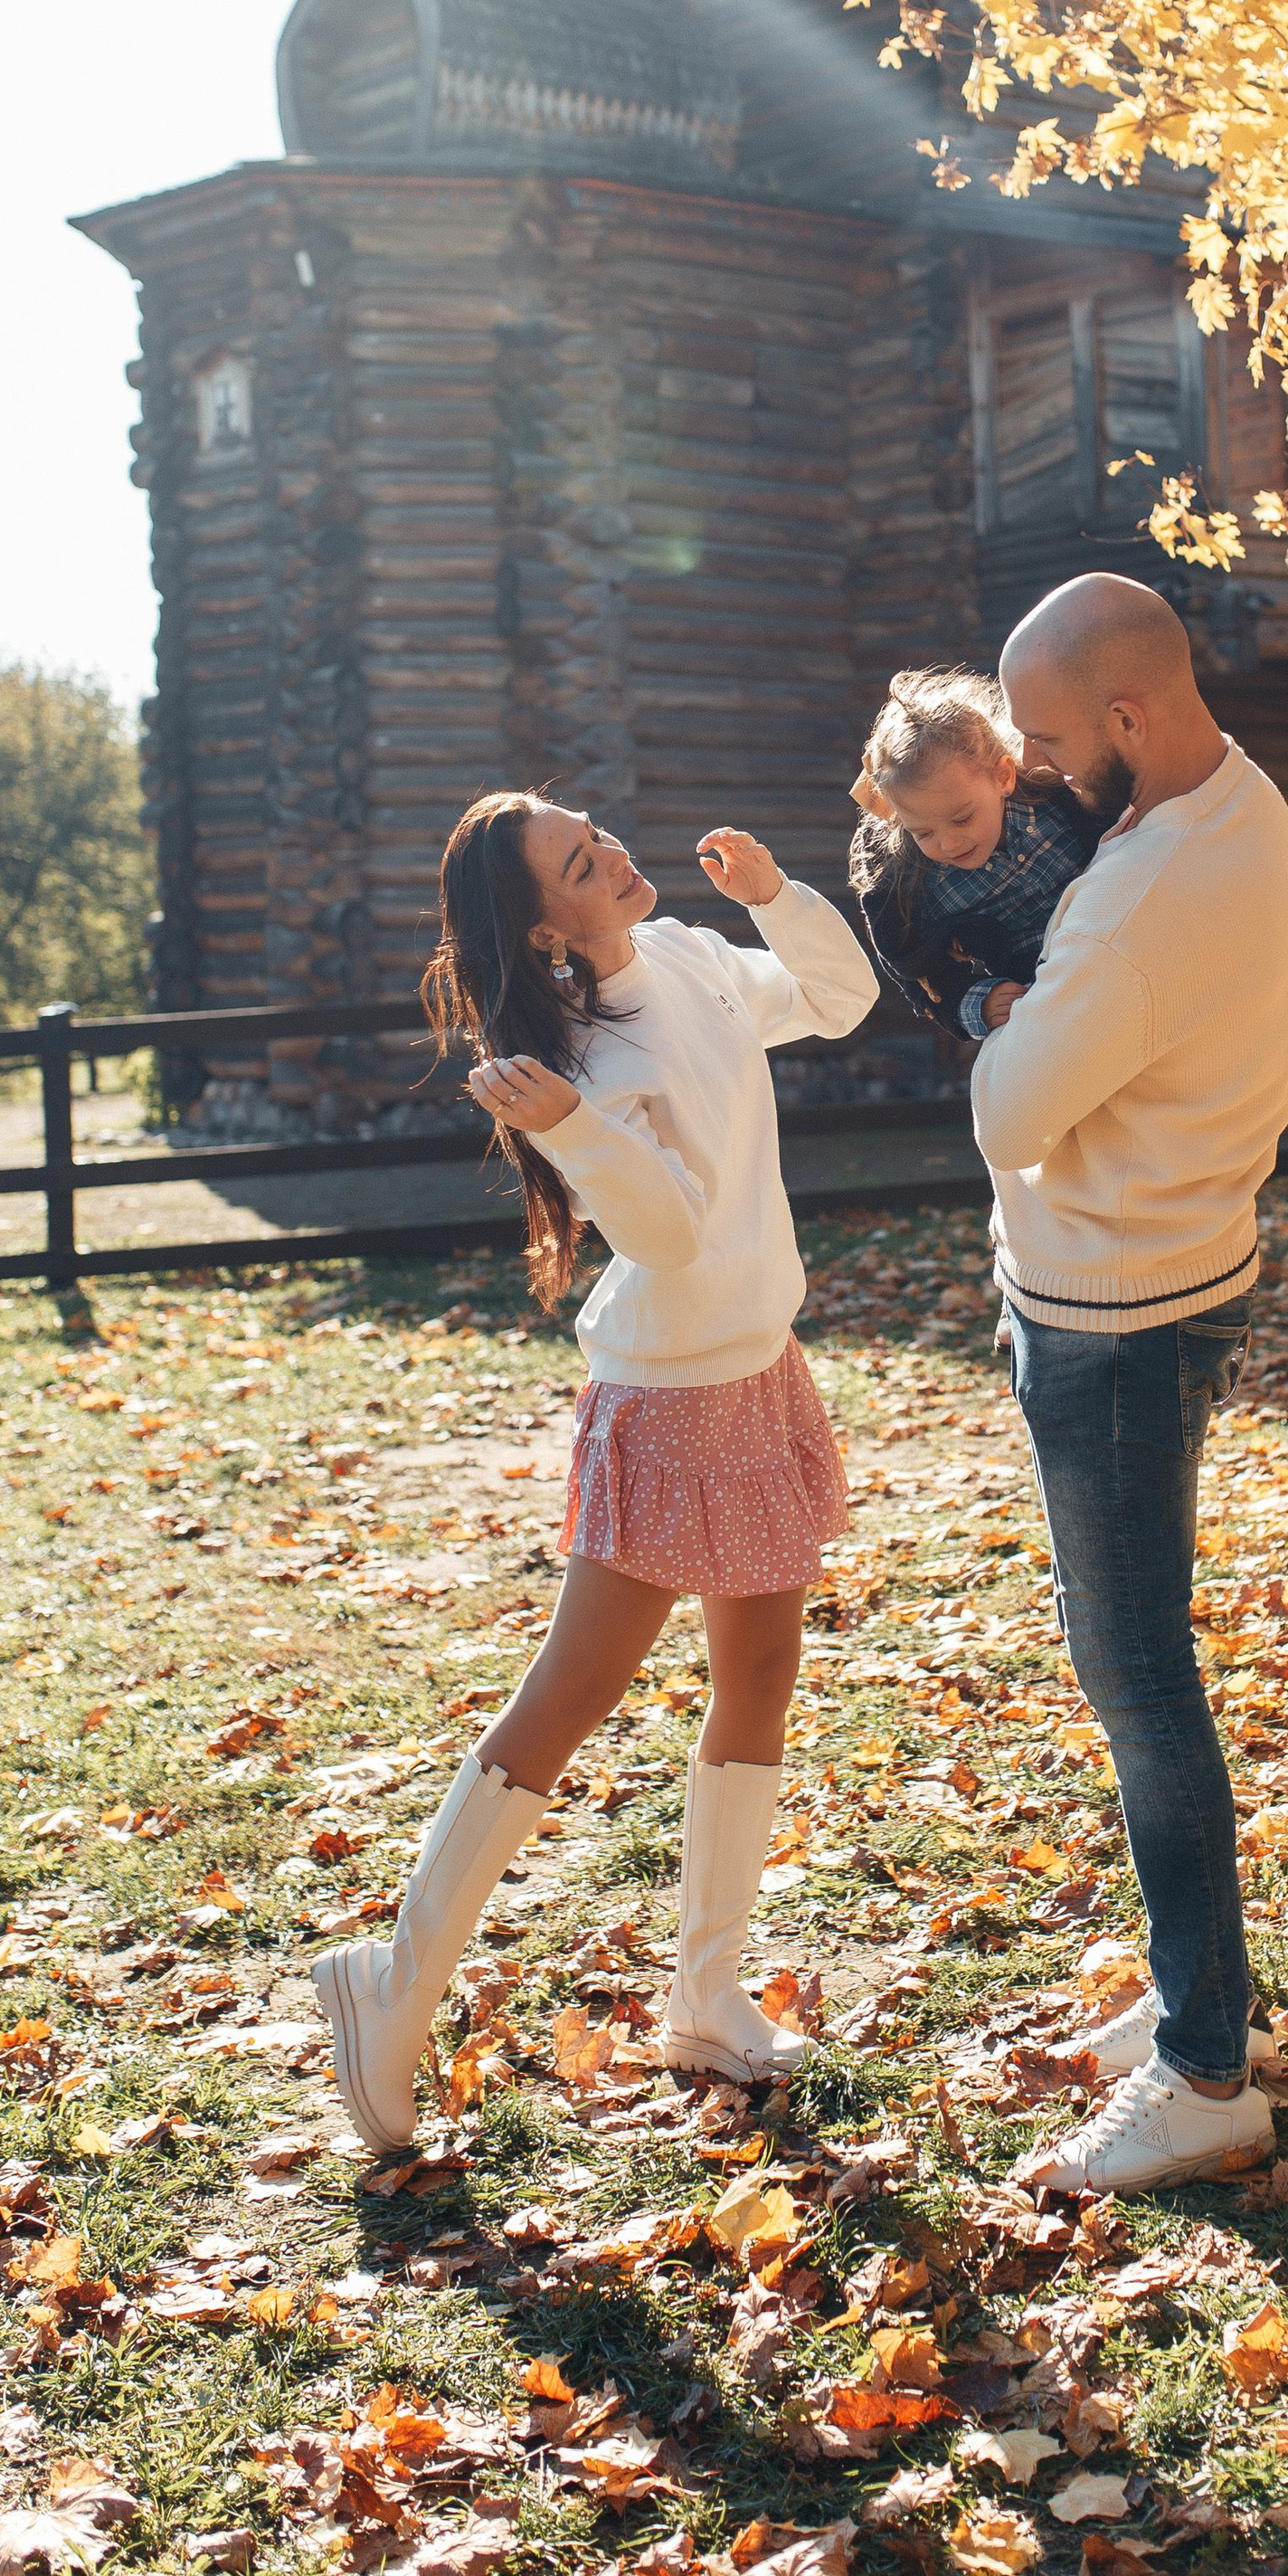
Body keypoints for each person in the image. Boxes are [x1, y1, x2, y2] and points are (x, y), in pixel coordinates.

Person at [312, 790, 878, 2152]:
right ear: (545, 926)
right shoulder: (581, 1058)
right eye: (581, 864)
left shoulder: (687, 953)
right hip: (671, 1392)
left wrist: (776, 896)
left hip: (758, 1365)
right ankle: (389, 1988)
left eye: (598, 834)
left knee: (760, 1677)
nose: (614, 856)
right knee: (574, 1689)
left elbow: (839, 998)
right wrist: (573, 1124)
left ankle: (707, 1998)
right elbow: (670, 1238)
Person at [970, 575, 1288, 2195]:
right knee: (1147, 1662)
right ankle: (1207, 1992)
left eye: (1043, 738)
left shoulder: (1137, 897)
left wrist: (994, 1018)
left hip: (1114, 1310)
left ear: (1125, 719)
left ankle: (1203, 2071)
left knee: (1139, 1679)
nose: (1029, 769)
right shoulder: (1246, 804)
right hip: (1190, 1264)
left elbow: (1005, 1116)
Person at [847, 664, 1104, 1039]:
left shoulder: (1057, 801)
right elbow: (921, 974)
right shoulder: (914, 883)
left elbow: (1128, 829)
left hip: (1110, 933)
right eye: (923, 832)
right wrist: (978, 1001)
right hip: (1040, 997)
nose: (949, 844)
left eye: (963, 818)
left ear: (1003, 776)